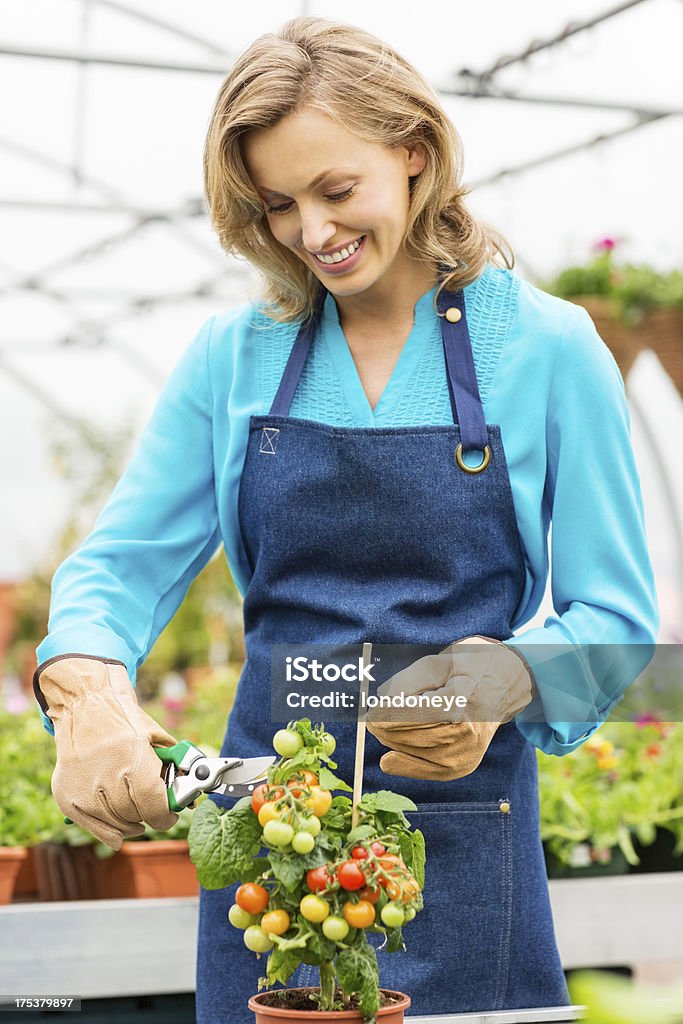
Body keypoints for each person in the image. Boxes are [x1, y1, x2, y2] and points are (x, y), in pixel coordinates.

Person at [33, 16, 658, 1022]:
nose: (309, 232)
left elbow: (613, 613)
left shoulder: (546, 346)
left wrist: (500, 679)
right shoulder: (233, 355)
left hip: (456, 836)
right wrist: (87, 690)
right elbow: (118, 567)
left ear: (413, 153)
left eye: (335, 190)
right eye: (276, 204)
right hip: (267, 855)